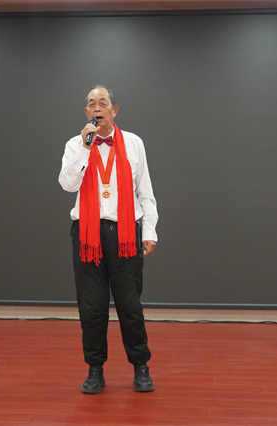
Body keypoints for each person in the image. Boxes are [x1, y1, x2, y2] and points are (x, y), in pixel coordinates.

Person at [58, 85, 159, 394]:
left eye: (102, 103)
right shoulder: (75, 144)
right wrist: (85, 148)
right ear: (86, 112)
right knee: (92, 306)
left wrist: (150, 230)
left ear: (115, 110)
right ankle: (95, 369)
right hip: (87, 235)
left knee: (130, 305)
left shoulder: (134, 143)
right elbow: (67, 184)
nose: (97, 108)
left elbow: (145, 191)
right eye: (91, 104)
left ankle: (141, 366)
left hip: (125, 233)